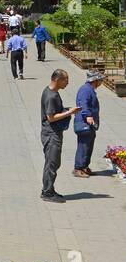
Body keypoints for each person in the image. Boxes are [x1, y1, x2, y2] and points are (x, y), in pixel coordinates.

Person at [40, 69, 80, 203]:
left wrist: (67, 110)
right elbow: (51, 117)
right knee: (52, 163)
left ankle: (49, 189)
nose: (67, 83)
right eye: (65, 80)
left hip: (52, 132)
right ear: (57, 80)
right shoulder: (51, 96)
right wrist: (69, 112)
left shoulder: (51, 92)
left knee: (54, 162)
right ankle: (47, 192)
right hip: (51, 133)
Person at [73, 70, 103, 178]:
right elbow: (83, 104)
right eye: (100, 80)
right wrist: (88, 116)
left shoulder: (90, 89)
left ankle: (84, 166)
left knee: (89, 145)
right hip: (84, 123)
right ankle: (78, 168)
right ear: (94, 80)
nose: (101, 82)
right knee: (84, 145)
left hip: (89, 124)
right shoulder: (85, 90)